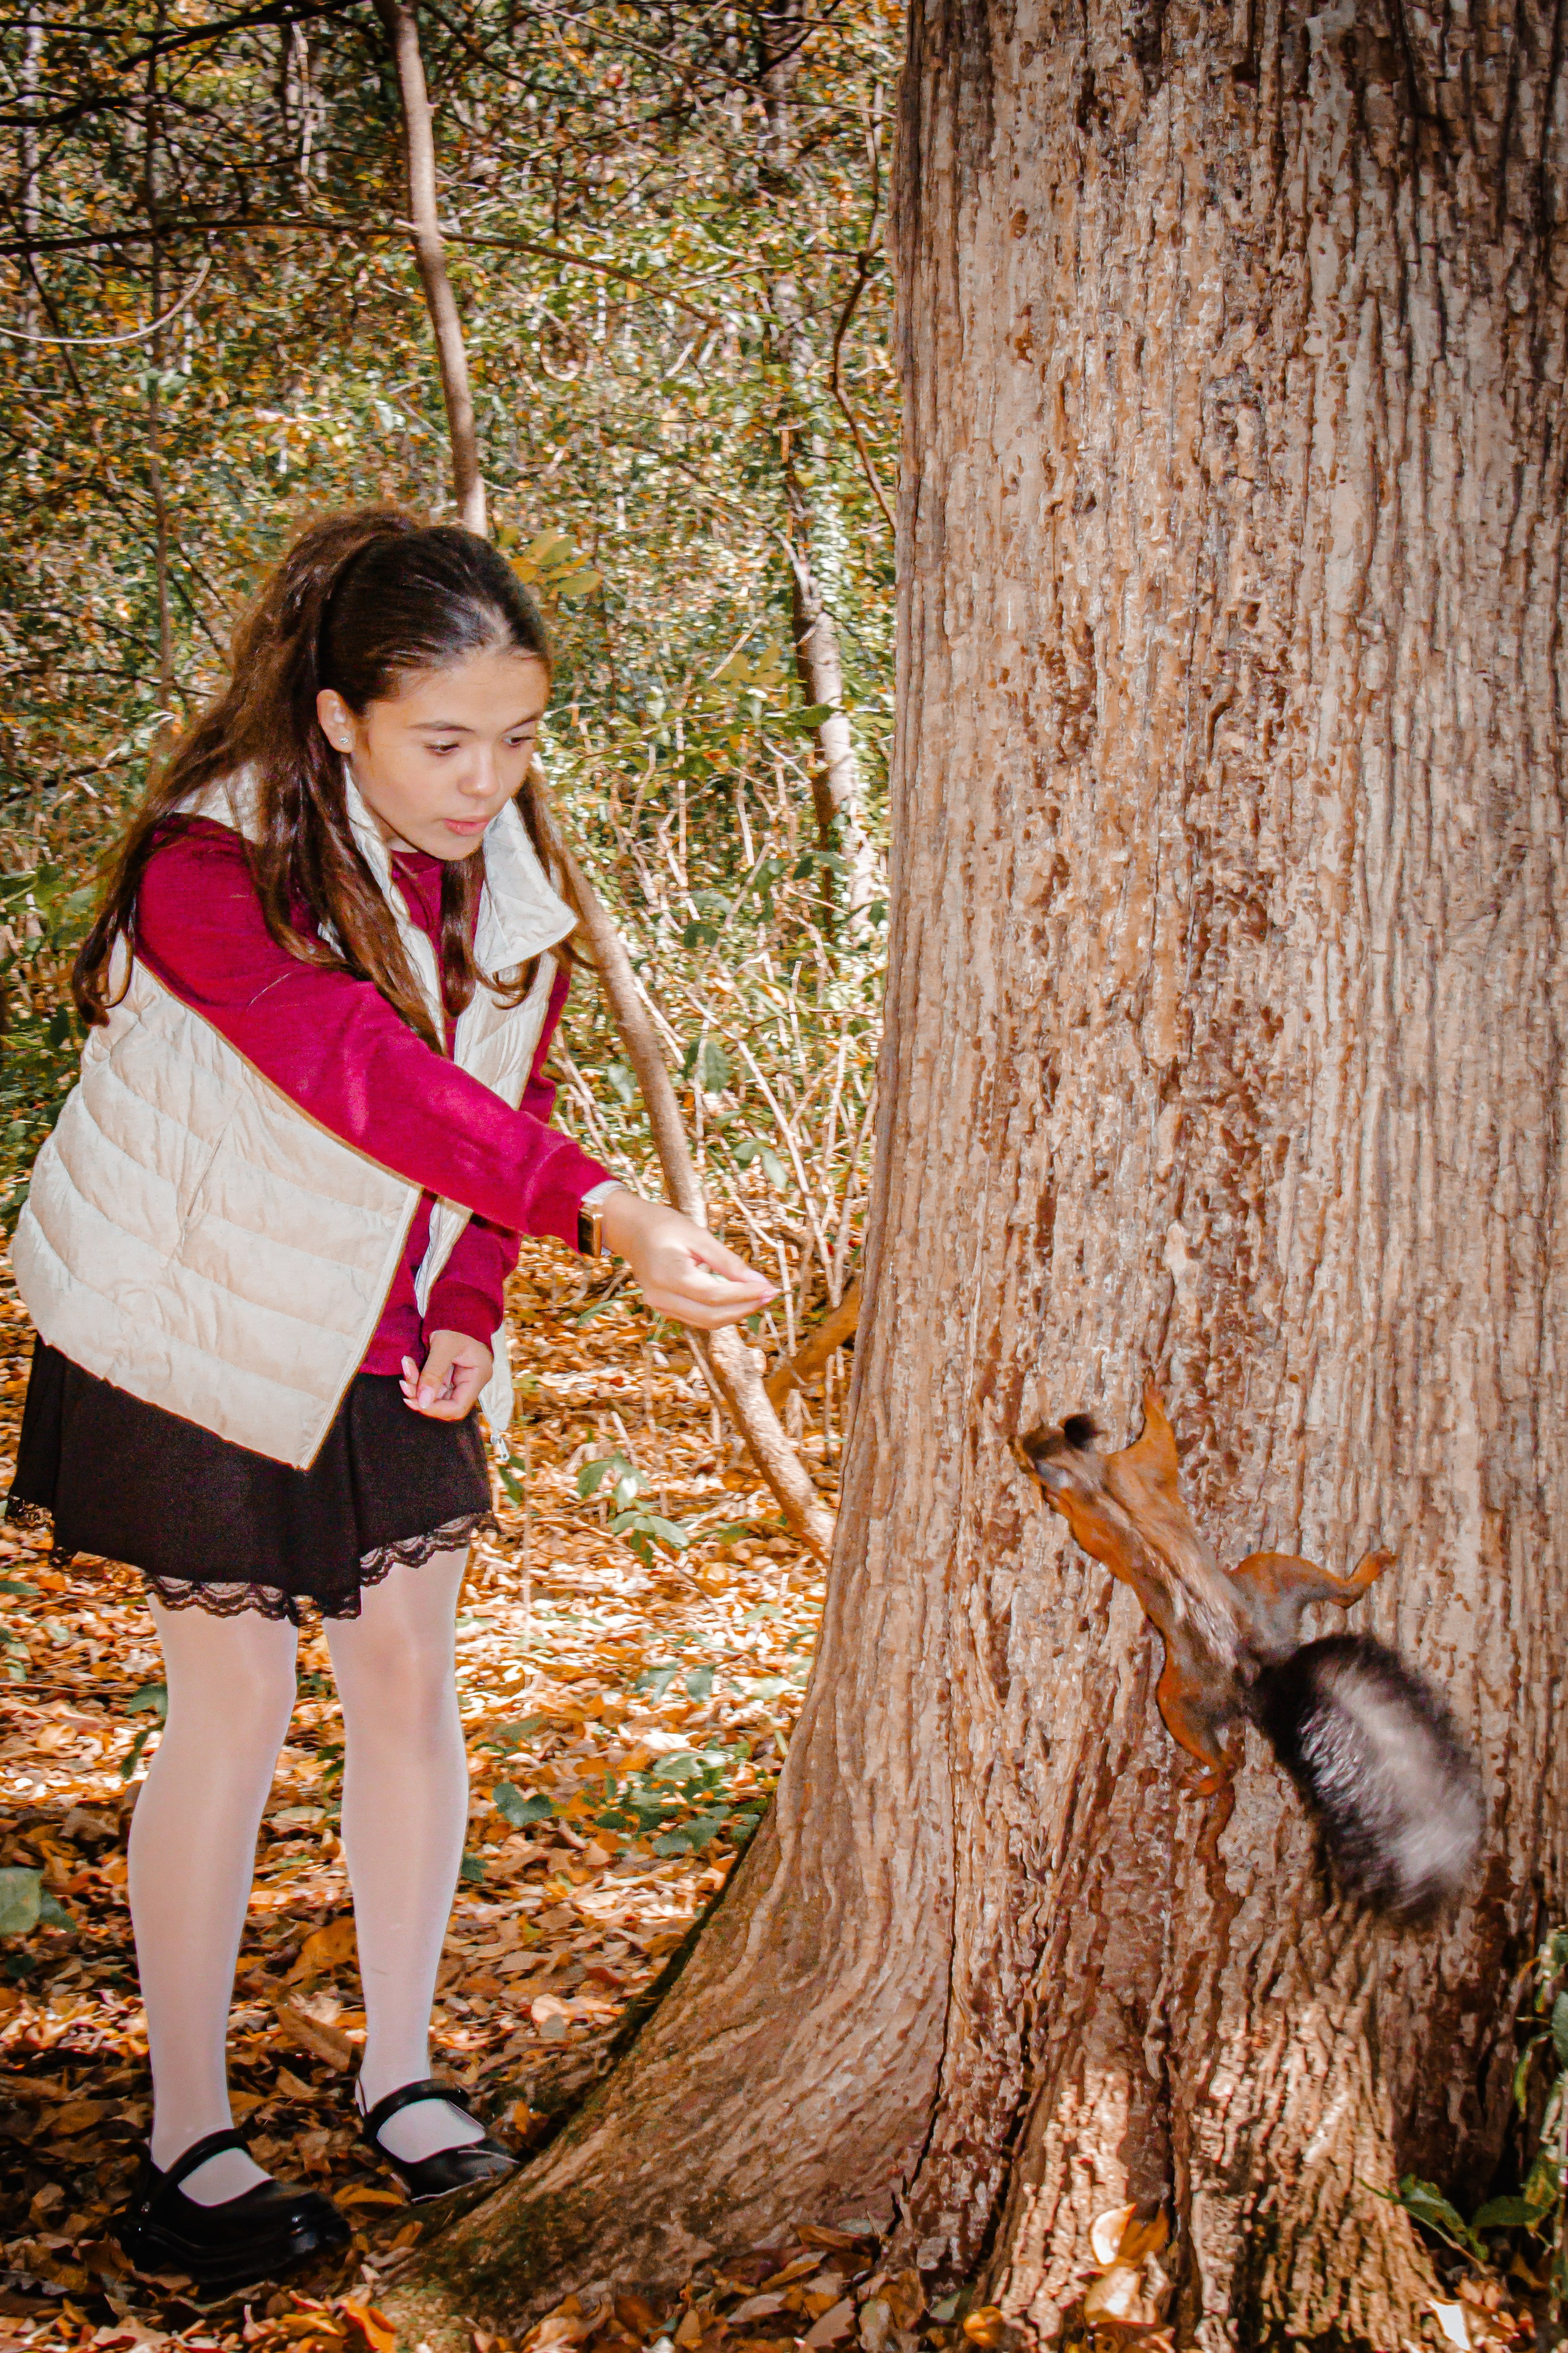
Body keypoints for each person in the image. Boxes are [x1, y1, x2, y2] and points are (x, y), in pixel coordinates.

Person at [4, 508, 775, 2290]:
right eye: (445, 739)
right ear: (338, 716)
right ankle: (186, 2127)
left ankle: (402, 2073)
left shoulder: (512, 889)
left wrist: (476, 1290)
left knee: (413, 1678)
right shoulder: (209, 867)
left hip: (387, 1328)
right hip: (197, 1311)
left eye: (517, 739)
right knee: (239, 1696)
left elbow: (502, 1072)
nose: (485, 779)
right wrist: (603, 1208)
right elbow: (353, 1067)